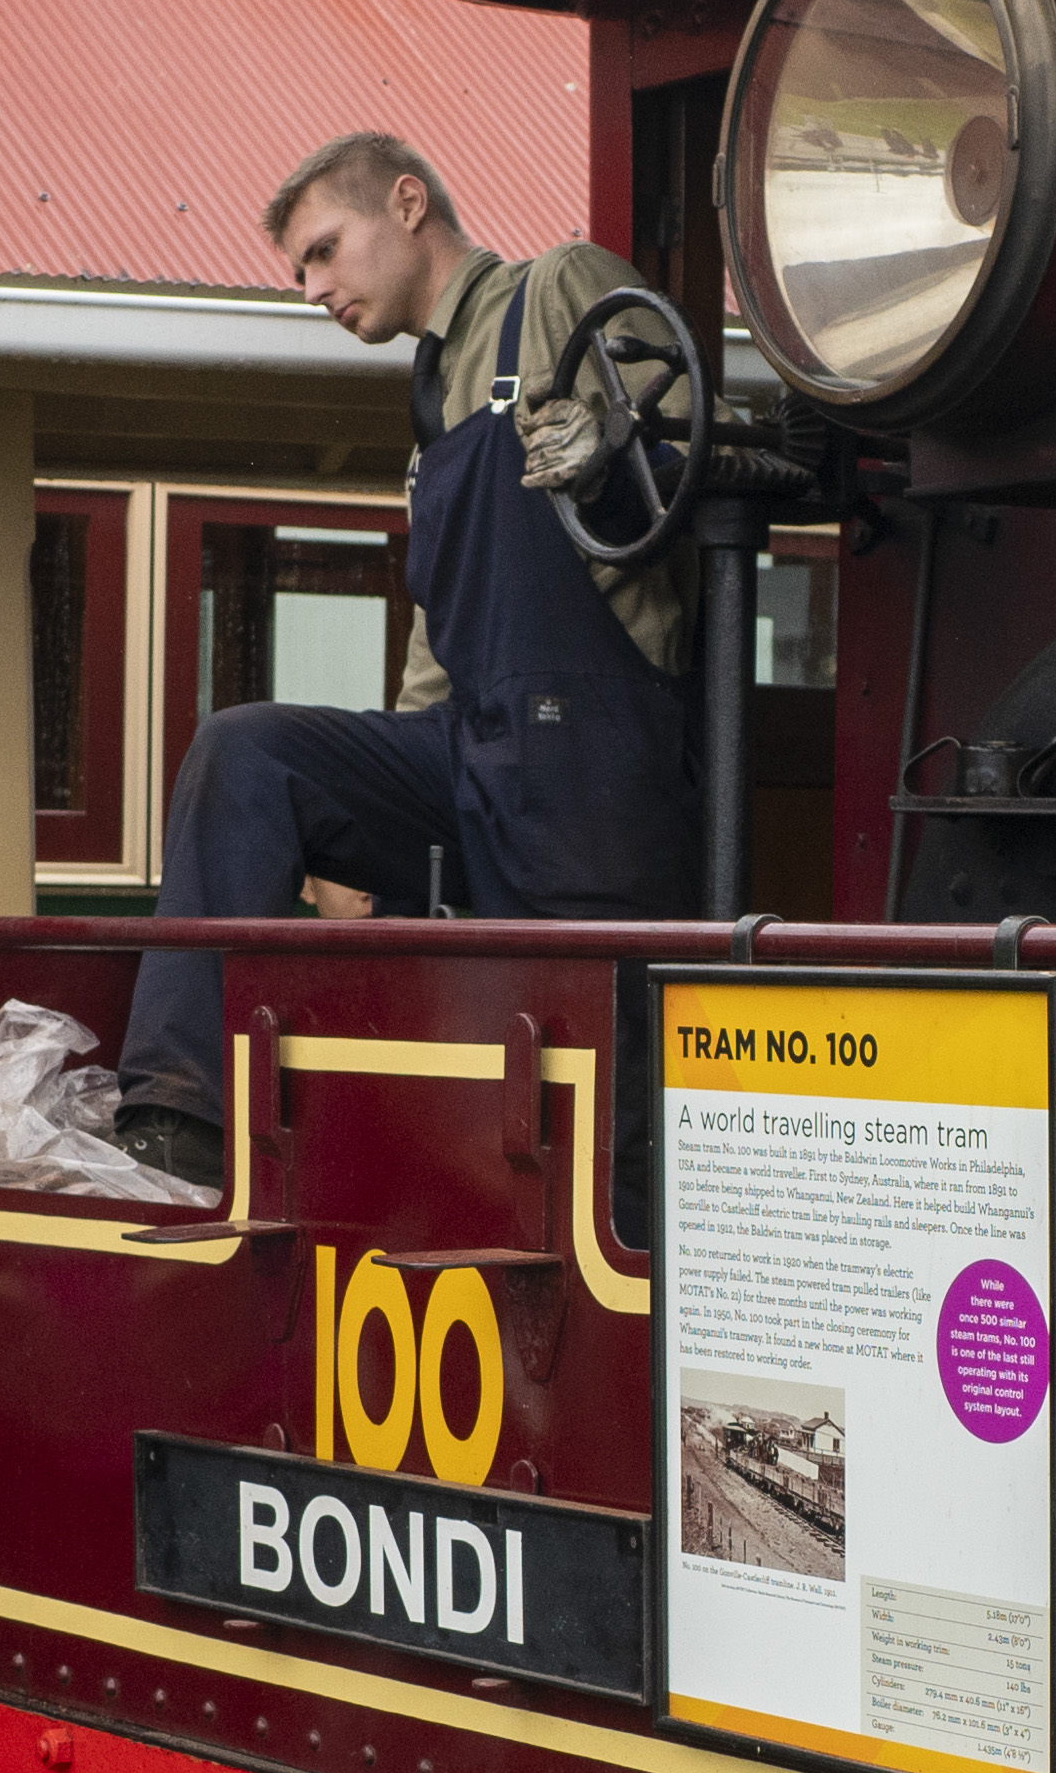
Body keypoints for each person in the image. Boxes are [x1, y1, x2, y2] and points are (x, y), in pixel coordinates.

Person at [110, 135, 695, 1191]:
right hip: (472, 758)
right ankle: (177, 1124)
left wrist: (611, 453)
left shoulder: (557, 289)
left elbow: (699, 460)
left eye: (324, 251)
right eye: (301, 268)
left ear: (409, 203)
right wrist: (360, 823)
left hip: (591, 768)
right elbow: (443, 628)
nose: (312, 289)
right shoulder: (431, 405)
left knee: (584, 1144)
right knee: (246, 752)